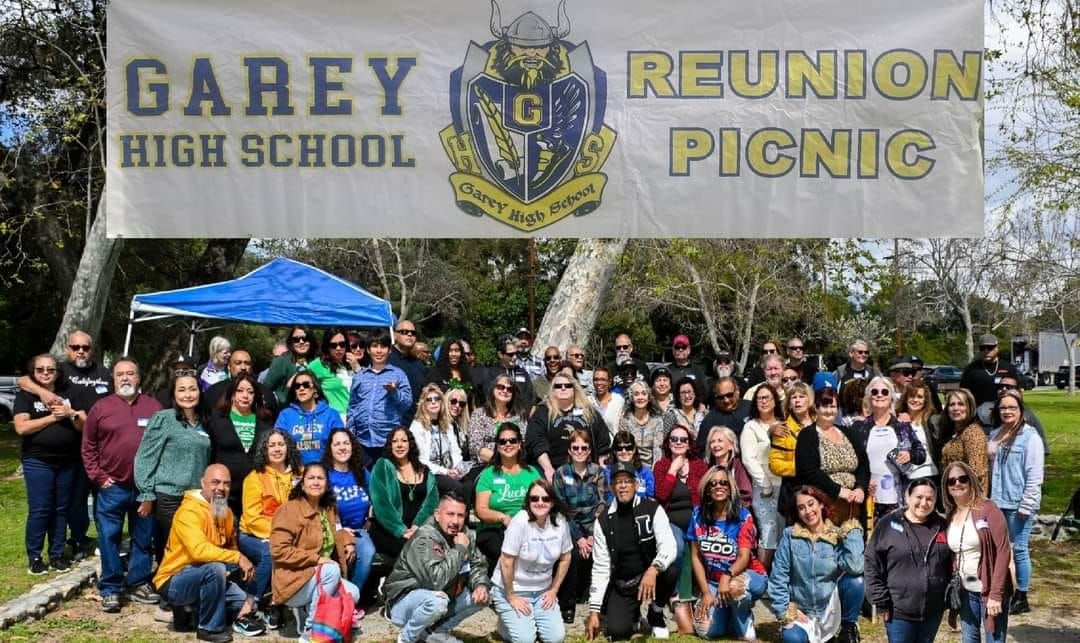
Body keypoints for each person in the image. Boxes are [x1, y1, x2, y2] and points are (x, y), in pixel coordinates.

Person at [19, 331, 109, 562]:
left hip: (100, 447)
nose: (80, 351)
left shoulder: (103, 374)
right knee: (70, 502)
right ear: (68, 349)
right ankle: (75, 540)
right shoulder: (58, 373)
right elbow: (24, 380)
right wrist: (44, 395)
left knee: (101, 498)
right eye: (75, 346)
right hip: (64, 454)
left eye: (85, 347)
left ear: (92, 348)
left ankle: (104, 541)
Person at [82, 357, 163, 610]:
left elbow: (164, 445)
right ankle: (111, 588)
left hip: (144, 489)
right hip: (111, 487)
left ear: (139, 378)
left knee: (142, 538)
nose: (125, 378)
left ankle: (138, 582)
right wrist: (99, 477)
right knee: (109, 537)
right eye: (120, 374)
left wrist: (154, 482)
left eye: (130, 373)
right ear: (114, 379)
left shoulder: (154, 407)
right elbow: (88, 447)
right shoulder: (100, 408)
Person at [152, 464, 263, 642]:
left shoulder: (224, 511)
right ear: (203, 483)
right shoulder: (188, 511)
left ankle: (191, 612)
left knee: (247, 604)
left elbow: (230, 546)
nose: (221, 488)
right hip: (174, 580)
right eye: (215, 482)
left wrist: (236, 564)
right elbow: (199, 551)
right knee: (215, 568)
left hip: (206, 574)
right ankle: (209, 629)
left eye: (226, 484)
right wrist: (237, 558)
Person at [14, 353, 90, 575]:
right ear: (34, 373)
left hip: (67, 461)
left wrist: (71, 413)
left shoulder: (71, 393)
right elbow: (21, 428)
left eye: (50, 369)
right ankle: (35, 557)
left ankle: (57, 555)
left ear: (57, 372)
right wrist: (52, 418)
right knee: (40, 509)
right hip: (38, 461)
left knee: (61, 509)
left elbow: (84, 425)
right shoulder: (26, 395)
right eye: (40, 370)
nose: (46, 373)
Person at [586, 461, 679, 641]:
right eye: (618, 482)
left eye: (627, 481)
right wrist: (594, 611)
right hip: (624, 582)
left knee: (671, 570)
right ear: (612, 487)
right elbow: (601, 567)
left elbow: (669, 545)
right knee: (616, 631)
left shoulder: (653, 509)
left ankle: (656, 613)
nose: (622, 486)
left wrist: (654, 569)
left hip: (651, 574)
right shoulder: (603, 521)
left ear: (636, 484)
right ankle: (634, 613)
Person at [383, 491, 491, 643]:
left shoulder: (466, 534)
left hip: (441, 598)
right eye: (450, 514)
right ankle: (407, 638)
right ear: (437, 514)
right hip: (405, 601)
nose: (455, 521)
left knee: (483, 597)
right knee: (437, 602)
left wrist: (480, 584)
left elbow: (477, 564)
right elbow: (436, 581)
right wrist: (459, 549)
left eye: (460, 515)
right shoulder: (424, 538)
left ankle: (435, 631)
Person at [269, 462, 360, 639]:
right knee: (331, 570)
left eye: (320, 478)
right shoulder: (289, 510)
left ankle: (308, 610)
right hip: (294, 581)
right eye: (311, 478)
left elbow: (337, 531)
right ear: (302, 484)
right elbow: (278, 550)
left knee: (353, 594)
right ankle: (311, 631)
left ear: (327, 484)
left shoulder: (328, 508)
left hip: (320, 577)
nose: (316, 482)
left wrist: (348, 541)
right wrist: (316, 559)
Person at [768, 485, 864, 643]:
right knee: (792, 638)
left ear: (821, 504)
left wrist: (851, 530)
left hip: (830, 611)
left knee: (856, 581)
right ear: (797, 512)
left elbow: (855, 566)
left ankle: (848, 629)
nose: (808, 511)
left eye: (811, 504)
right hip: (802, 612)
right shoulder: (790, 536)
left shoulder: (835, 535)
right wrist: (785, 609)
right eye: (801, 507)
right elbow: (778, 577)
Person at [865, 479, 952, 643]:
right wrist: (879, 601)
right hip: (898, 611)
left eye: (929, 499)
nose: (923, 503)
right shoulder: (888, 524)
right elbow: (872, 564)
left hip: (932, 611)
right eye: (919, 497)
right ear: (908, 497)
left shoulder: (943, 526)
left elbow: (951, 564)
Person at [687, 465, 769, 641]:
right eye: (713, 483)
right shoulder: (697, 515)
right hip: (713, 581)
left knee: (734, 588)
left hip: (749, 575)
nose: (719, 486)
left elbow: (744, 557)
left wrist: (727, 576)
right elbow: (696, 557)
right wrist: (706, 592)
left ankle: (745, 626)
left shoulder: (743, 516)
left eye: (724, 482)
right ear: (707, 490)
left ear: (731, 487)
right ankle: (732, 615)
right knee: (705, 631)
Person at [134, 373, 211, 560]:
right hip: (169, 497)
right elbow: (145, 457)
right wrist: (146, 493)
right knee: (176, 544)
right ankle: (166, 584)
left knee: (190, 547)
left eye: (192, 389)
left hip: (195, 497)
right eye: (182, 390)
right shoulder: (164, 419)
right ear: (174, 394)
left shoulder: (205, 422)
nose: (188, 394)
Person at [491, 478, 573, 643]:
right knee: (525, 640)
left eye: (545, 498)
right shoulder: (519, 522)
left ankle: (518, 621)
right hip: (513, 589)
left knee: (556, 638)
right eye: (534, 498)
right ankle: (506, 623)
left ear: (552, 501)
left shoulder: (560, 521)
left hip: (543, 591)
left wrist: (554, 590)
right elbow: (506, 561)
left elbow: (566, 557)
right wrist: (511, 596)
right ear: (528, 501)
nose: (540, 502)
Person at [942, 461, 1013, 642]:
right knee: (969, 638)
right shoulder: (950, 515)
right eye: (951, 481)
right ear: (947, 488)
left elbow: (1003, 551)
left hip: (989, 588)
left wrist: (996, 594)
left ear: (971, 480)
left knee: (994, 639)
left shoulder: (988, 508)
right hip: (965, 589)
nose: (957, 484)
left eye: (962, 479)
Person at [987, 390, 1044, 616]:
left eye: (1012, 407)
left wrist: (1027, 504)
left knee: (1019, 549)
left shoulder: (1030, 438)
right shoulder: (995, 434)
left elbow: (1035, 474)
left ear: (1021, 411)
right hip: (997, 501)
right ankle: (1001, 588)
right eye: (1003, 408)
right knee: (998, 548)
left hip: (1017, 502)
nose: (1007, 411)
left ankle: (1022, 595)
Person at [239, 428, 300, 631]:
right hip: (253, 534)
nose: (276, 449)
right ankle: (250, 604)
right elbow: (252, 517)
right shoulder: (255, 477)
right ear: (264, 450)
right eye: (271, 445)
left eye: (280, 444)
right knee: (272, 552)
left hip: (292, 533)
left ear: (288, 447)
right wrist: (281, 535)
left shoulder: (300, 475)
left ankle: (275, 603)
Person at [653, 423, 708, 631]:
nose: (678, 443)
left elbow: (700, 498)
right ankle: (676, 595)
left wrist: (686, 475)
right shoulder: (661, 465)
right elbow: (660, 495)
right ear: (668, 442)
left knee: (700, 548)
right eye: (674, 439)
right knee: (677, 547)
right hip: (671, 520)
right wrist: (672, 471)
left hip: (696, 519)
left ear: (689, 443)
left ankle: (700, 592)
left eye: (683, 439)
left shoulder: (698, 465)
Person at [552, 429, 608, 623]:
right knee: (572, 554)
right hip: (569, 525)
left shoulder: (598, 472)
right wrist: (579, 538)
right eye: (575, 447)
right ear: (569, 450)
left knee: (603, 551)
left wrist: (593, 535)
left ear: (589, 450)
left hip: (594, 524)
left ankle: (602, 603)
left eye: (584, 448)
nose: (579, 451)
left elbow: (602, 504)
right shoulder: (560, 474)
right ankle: (567, 605)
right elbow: (561, 510)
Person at [851, 377, 926, 518]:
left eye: (884, 392)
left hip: (898, 498)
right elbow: (852, 461)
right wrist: (861, 483)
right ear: (869, 397)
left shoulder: (902, 426)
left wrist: (910, 455)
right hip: (868, 497)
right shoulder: (858, 427)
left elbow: (921, 454)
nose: (879, 395)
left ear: (891, 397)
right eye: (875, 392)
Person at [793, 388, 868, 523]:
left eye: (832, 406)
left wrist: (860, 488)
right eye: (824, 406)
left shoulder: (848, 433)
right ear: (816, 408)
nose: (828, 410)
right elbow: (809, 471)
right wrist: (839, 491)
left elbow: (863, 464)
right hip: (825, 505)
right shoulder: (807, 435)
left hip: (853, 504)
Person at [475, 422, 541, 572]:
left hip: (528, 527)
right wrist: (502, 517)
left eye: (512, 440)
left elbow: (543, 501)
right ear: (497, 446)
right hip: (496, 529)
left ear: (519, 445)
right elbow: (481, 510)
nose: (508, 444)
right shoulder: (489, 474)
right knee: (507, 553)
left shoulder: (532, 473)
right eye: (502, 441)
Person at [322, 429, 376, 607]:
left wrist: (370, 517)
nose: (342, 447)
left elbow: (375, 496)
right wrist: (342, 533)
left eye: (346, 443)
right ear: (330, 448)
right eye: (337, 444)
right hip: (333, 529)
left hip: (360, 529)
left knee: (367, 552)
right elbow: (321, 509)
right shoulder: (325, 475)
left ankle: (350, 600)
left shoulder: (360, 472)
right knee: (346, 553)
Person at [207, 373, 274, 515]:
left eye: (250, 392)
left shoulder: (265, 421)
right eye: (240, 390)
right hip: (222, 491)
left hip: (255, 491)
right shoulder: (217, 418)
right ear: (232, 393)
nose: (245, 395)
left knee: (250, 531)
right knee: (220, 529)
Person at [368, 427, 439, 561]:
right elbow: (382, 505)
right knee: (415, 553)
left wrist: (417, 527)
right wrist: (401, 530)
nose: (399, 445)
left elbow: (432, 502)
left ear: (410, 444)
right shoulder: (382, 466)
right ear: (390, 445)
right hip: (388, 531)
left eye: (404, 441)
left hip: (419, 530)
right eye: (395, 441)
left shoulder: (424, 470)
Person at [526, 372, 611, 481]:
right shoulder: (543, 412)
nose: (563, 388)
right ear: (553, 390)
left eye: (567, 386)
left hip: (586, 473)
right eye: (558, 386)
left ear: (574, 388)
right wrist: (548, 469)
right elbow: (535, 441)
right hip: (553, 471)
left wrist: (602, 470)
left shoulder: (589, 412)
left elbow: (602, 442)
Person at [347, 332, 413, 464]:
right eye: (374, 346)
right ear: (368, 350)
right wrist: (350, 433)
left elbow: (407, 404)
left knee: (386, 479)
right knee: (365, 480)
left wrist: (394, 392)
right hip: (362, 440)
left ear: (389, 350)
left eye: (383, 347)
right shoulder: (360, 376)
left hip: (387, 440)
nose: (378, 351)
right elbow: (353, 406)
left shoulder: (398, 374)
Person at [740, 383, 784, 569]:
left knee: (782, 532)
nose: (763, 401)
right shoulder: (751, 426)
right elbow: (748, 458)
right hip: (764, 487)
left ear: (775, 401)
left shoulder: (784, 422)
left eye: (767, 397)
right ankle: (763, 575)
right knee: (768, 532)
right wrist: (765, 483)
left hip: (785, 486)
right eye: (760, 398)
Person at [274, 370, 343, 466]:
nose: (301, 388)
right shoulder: (285, 415)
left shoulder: (331, 414)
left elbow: (341, 445)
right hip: (295, 473)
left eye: (306, 385)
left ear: (315, 389)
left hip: (324, 472)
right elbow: (277, 445)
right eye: (297, 386)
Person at [409, 384, 466, 494]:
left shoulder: (447, 425)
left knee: (469, 485)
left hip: (450, 471)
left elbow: (456, 452)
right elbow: (420, 459)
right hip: (429, 473)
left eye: (437, 399)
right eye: (429, 400)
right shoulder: (417, 426)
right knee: (456, 487)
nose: (433, 402)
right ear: (423, 404)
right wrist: (445, 472)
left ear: (441, 402)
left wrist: (458, 469)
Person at [770, 381, 816, 516]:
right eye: (793, 397)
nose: (797, 401)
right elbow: (774, 464)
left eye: (801, 396)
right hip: (793, 490)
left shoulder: (821, 424)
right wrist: (799, 468)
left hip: (820, 488)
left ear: (809, 399)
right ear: (789, 403)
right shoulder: (782, 429)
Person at [467, 373, 530, 467]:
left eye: (509, 389)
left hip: (515, 465)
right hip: (484, 465)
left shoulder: (519, 417)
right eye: (501, 387)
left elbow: (523, 445)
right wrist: (502, 462)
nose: (505, 391)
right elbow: (475, 447)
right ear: (493, 389)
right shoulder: (479, 414)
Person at [976, 374, 1049, 454]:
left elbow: (1041, 449)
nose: (1004, 389)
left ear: (1019, 392)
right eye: (1000, 387)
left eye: (1009, 387)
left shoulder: (1027, 414)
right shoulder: (983, 409)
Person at [202, 349, 278, 418]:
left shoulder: (265, 393)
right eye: (238, 363)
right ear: (229, 366)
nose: (243, 367)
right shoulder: (214, 391)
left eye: (247, 363)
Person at [939, 389, 989, 492]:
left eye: (961, 404)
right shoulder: (955, 432)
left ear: (970, 407)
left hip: (970, 496)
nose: (956, 408)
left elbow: (976, 472)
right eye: (952, 405)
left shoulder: (973, 432)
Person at [618, 380, 669, 469]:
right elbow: (624, 449)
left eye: (644, 393)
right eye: (636, 394)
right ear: (631, 398)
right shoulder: (625, 420)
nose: (640, 397)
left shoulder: (657, 420)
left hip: (652, 468)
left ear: (649, 398)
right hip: (631, 467)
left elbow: (658, 450)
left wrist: (653, 473)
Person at [959, 334, 1019, 408]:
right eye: (982, 348)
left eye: (990, 347)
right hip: (977, 412)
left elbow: (1017, 392)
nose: (986, 351)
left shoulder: (1008, 368)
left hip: (1002, 411)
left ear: (997, 348)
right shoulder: (971, 369)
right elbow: (963, 392)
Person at [307, 328, 353, 421]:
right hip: (332, 418)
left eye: (342, 344)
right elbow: (300, 382)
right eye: (333, 345)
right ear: (327, 346)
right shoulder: (318, 365)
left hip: (354, 418)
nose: (338, 348)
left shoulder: (352, 361)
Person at [264, 326, 317, 405]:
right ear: (291, 342)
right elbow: (265, 389)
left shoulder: (317, 362)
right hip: (286, 410)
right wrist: (286, 392)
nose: (301, 342)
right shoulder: (281, 361)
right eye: (296, 339)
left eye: (305, 338)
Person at [896, 382, 938, 481]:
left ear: (925, 400)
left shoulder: (931, 420)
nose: (915, 400)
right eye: (912, 396)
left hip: (928, 473)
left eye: (919, 397)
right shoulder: (896, 420)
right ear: (906, 398)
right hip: (904, 477)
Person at [703, 426, 753, 509]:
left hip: (735, 513)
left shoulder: (738, 466)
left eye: (720, 441)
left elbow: (746, 495)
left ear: (731, 445)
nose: (715, 445)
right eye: (712, 442)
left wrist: (728, 510)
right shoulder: (707, 468)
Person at [698, 376, 751, 450]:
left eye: (729, 395)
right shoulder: (710, 420)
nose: (726, 400)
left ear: (737, 392)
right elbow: (702, 449)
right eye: (720, 397)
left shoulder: (751, 407)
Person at [604, 430, 655, 502]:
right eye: (619, 448)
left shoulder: (645, 472)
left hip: (641, 508)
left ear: (634, 449)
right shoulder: (608, 471)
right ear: (614, 451)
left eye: (628, 448)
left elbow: (650, 495)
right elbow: (610, 496)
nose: (624, 451)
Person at [389, 320, 427, 416]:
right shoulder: (385, 358)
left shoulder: (419, 364)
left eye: (413, 333)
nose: (409, 335)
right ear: (394, 335)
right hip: (392, 421)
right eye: (404, 332)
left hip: (415, 421)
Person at [589, 366, 624, 437]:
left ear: (609, 381)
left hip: (613, 445)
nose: (599, 383)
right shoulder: (588, 401)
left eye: (603, 379)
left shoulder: (618, 400)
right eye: (596, 379)